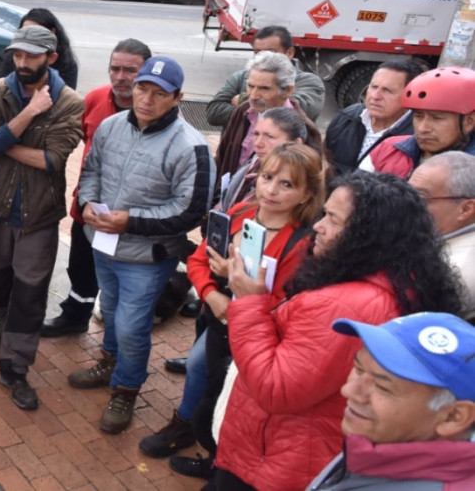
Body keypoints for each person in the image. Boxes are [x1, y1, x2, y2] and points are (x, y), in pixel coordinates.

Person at [211, 172, 466, 491]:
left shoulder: (347, 304)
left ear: (366, 235)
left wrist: (249, 303)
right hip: (303, 450)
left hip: (274, 459)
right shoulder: (401, 281)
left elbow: (277, 388)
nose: (318, 226)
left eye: (332, 219)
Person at [146, 143, 323, 477]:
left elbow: (287, 305)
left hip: (257, 337)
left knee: (231, 406)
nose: (271, 190)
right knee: (212, 395)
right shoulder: (241, 212)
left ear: (305, 194)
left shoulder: (302, 242)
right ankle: (214, 459)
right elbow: (200, 259)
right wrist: (213, 295)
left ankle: (223, 468)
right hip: (220, 323)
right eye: (268, 177)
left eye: (287, 184)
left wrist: (237, 285)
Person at [70, 56, 215, 434]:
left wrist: (128, 221)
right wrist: (87, 203)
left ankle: (127, 388)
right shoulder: (111, 126)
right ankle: (109, 361)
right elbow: (92, 170)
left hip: (147, 258)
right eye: (141, 88)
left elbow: (189, 211)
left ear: (177, 98)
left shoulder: (190, 146)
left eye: (158, 93)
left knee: (133, 326)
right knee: (113, 310)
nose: (146, 99)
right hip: (103, 244)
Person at [0, 24, 83, 410]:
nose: (21, 62)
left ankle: (15, 367)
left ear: (50, 58)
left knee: (31, 289)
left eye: (31, 56)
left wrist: (5, 145)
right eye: (17, 55)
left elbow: (52, 160)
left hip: (39, 213)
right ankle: (5, 325)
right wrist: (30, 113)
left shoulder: (70, 102)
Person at [42, 38, 151, 337]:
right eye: (114, 68)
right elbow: (80, 141)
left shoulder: (159, 110)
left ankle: (117, 334)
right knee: (80, 266)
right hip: (89, 205)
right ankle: (76, 315)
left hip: (128, 215)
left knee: (121, 275)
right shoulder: (95, 98)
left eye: (130, 70)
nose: (120, 76)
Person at [306, 312, 475, 490]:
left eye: (382, 387)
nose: (348, 391)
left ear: (453, 417)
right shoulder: (375, 448)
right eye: (358, 369)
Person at [216, 50, 323, 180]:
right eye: (250, 86)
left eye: (264, 88)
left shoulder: (303, 129)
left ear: (287, 90)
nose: (253, 96)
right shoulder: (243, 111)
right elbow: (223, 157)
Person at [361, 66, 475, 178]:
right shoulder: (388, 149)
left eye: (437, 118)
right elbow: (354, 192)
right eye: (418, 116)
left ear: (469, 122)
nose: (422, 128)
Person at [206, 25, 326, 127]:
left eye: (270, 52)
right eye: (257, 52)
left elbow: (292, 114)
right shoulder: (241, 76)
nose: (262, 58)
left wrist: (242, 100)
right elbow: (214, 112)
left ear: (289, 53)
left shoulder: (308, 81)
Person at [324, 60, 422, 175]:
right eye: (374, 87)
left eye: (388, 91)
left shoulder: (417, 137)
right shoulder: (346, 118)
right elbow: (325, 164)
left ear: (410, 95)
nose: (375, 96)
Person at [409, 151, 475, 315]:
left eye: (419, 197)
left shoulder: (456, 274)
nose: (405, 202)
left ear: (465, 209)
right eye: (406, 191)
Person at [0, 8, 79, 89]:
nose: (22, 64)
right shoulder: (10, 59)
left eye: (33, 56)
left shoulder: (67, 64)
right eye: (18, 55)